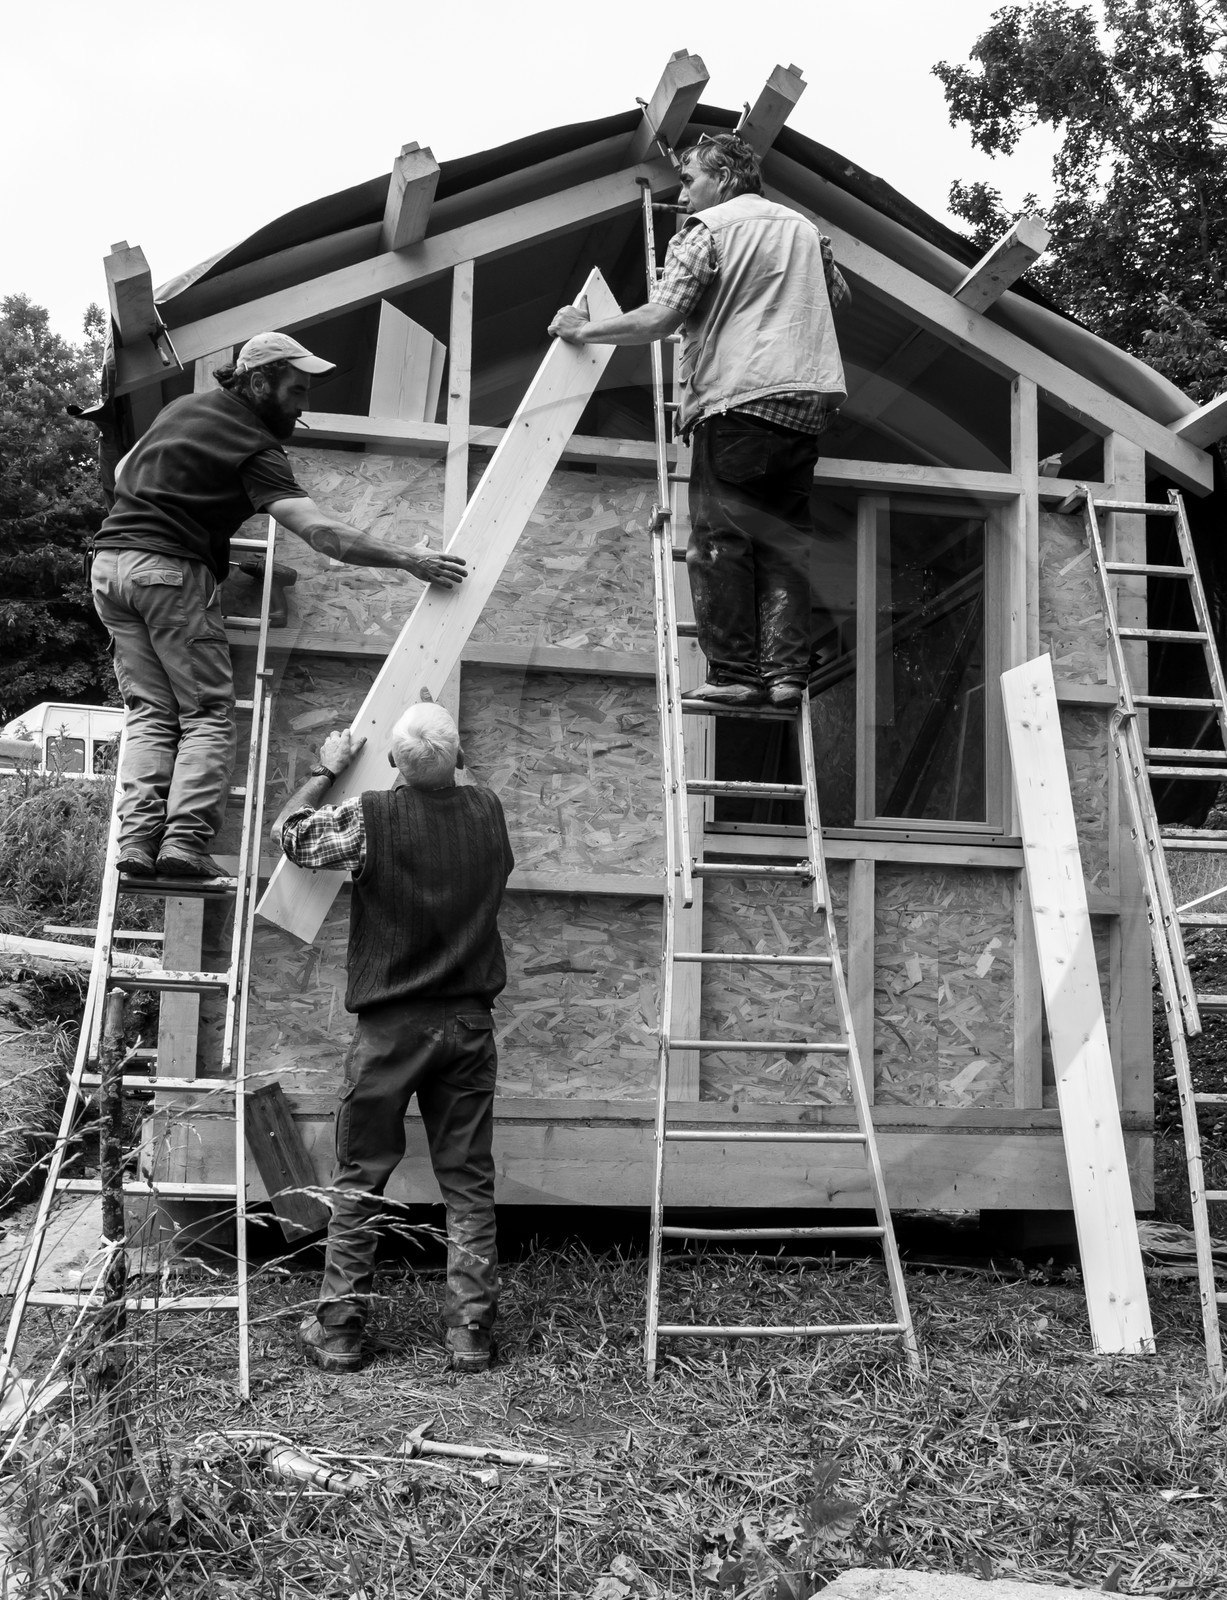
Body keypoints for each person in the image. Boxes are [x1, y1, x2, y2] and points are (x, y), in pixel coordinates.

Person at [91, 332, 468, 880]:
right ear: (259, 382)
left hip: (109, 567)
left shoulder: (182, 408)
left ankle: (135, 844)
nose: (302, 404)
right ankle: (182, 846)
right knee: (205, 712)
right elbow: (320, 533)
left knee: (151, 711)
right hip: (169, 572)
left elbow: (124, 469)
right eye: (295, 390)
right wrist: (410, 559)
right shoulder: (252, 442)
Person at [549, 132, 848, 708]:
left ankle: (736, 674)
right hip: (804, 409)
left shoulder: (706, 232)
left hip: (738, 400)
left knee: (719, 541)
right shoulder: (806, 232)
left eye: (689, 180)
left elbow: (663, 316)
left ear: (726, 179)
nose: (682, 195)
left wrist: (580, 330)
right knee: (782, 544)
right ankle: (786, 674)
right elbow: (836, 299)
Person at [271, 703, 513, 1374]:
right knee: (467, 1185)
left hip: (391, 1031)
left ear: (391, 763)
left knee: (362, 1180)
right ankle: (470, 1336)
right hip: (467, 1025)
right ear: (459, 758)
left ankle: (342, 1331)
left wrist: (325, 769)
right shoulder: (490, 811)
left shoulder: (369, 818)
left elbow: (290, 835)